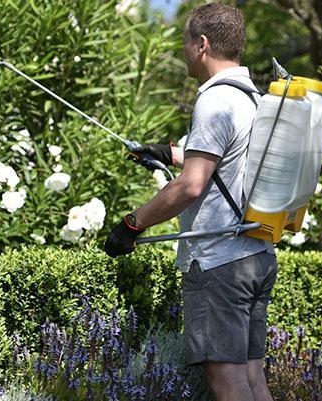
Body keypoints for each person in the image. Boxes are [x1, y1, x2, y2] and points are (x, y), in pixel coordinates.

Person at [103, 3, 277, 401]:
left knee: (227, 381)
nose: (183, 50)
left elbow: (191, 186)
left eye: (185, 41)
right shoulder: (252, 98)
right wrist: (168, 153)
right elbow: (228, 159)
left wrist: (132, 224)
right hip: (255, 254)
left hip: (221, 263)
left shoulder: (214, 100)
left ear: (201, 44)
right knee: (252, 378)